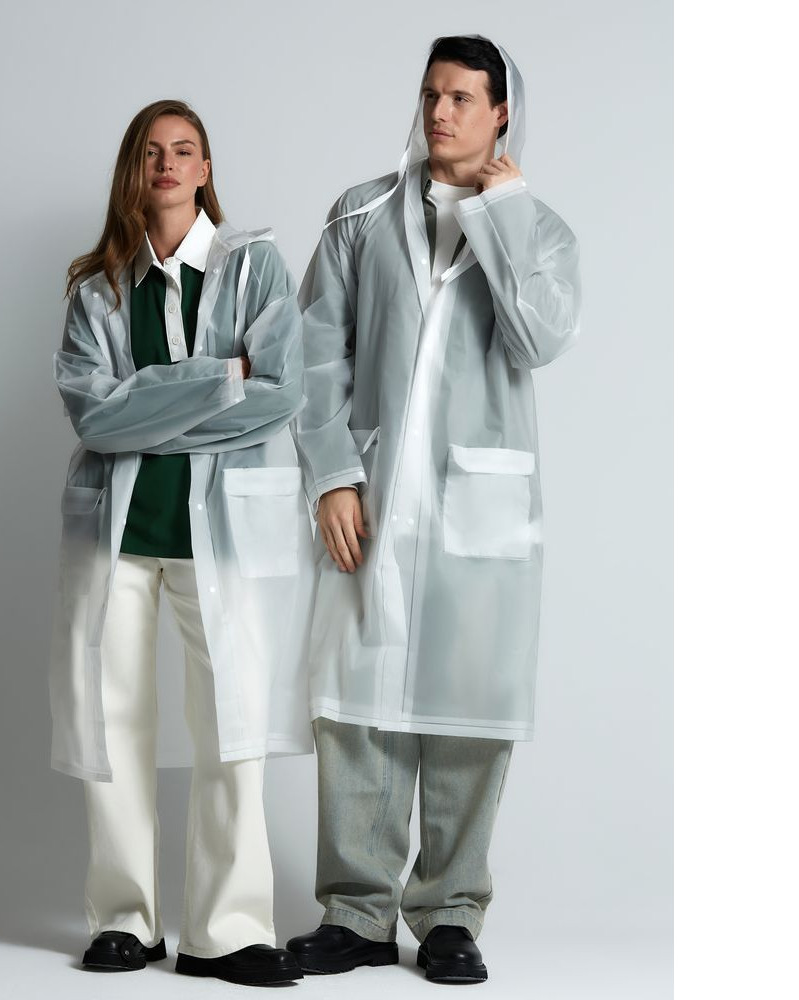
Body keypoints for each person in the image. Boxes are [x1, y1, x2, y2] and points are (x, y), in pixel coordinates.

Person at [287, 35, 581, 984]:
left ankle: (451, 914)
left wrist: (503, 212)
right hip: (373, 496)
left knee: (469, 709)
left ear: (502, 113)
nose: (440, 112)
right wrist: (332, 476)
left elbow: (537, 338)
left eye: (461, 97)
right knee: (357, 705)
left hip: (476, 512)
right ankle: (356, 914)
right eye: (430, 94)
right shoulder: (360, 215)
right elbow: (314, 357)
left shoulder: (541, 232)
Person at [48, 99, 314, 986]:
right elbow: (93, 414)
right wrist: (220, 379)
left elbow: (281, 392)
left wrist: (148, 404)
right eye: (151, 151)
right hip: (118, 533)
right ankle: (125, 919)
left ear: (205, 170)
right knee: (113, 721)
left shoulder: (254, 268)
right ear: (133, 171)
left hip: (221, 533)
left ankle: (226, 931)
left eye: (184, 149)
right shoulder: (97, 288)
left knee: (233, 725)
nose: (166, 163)